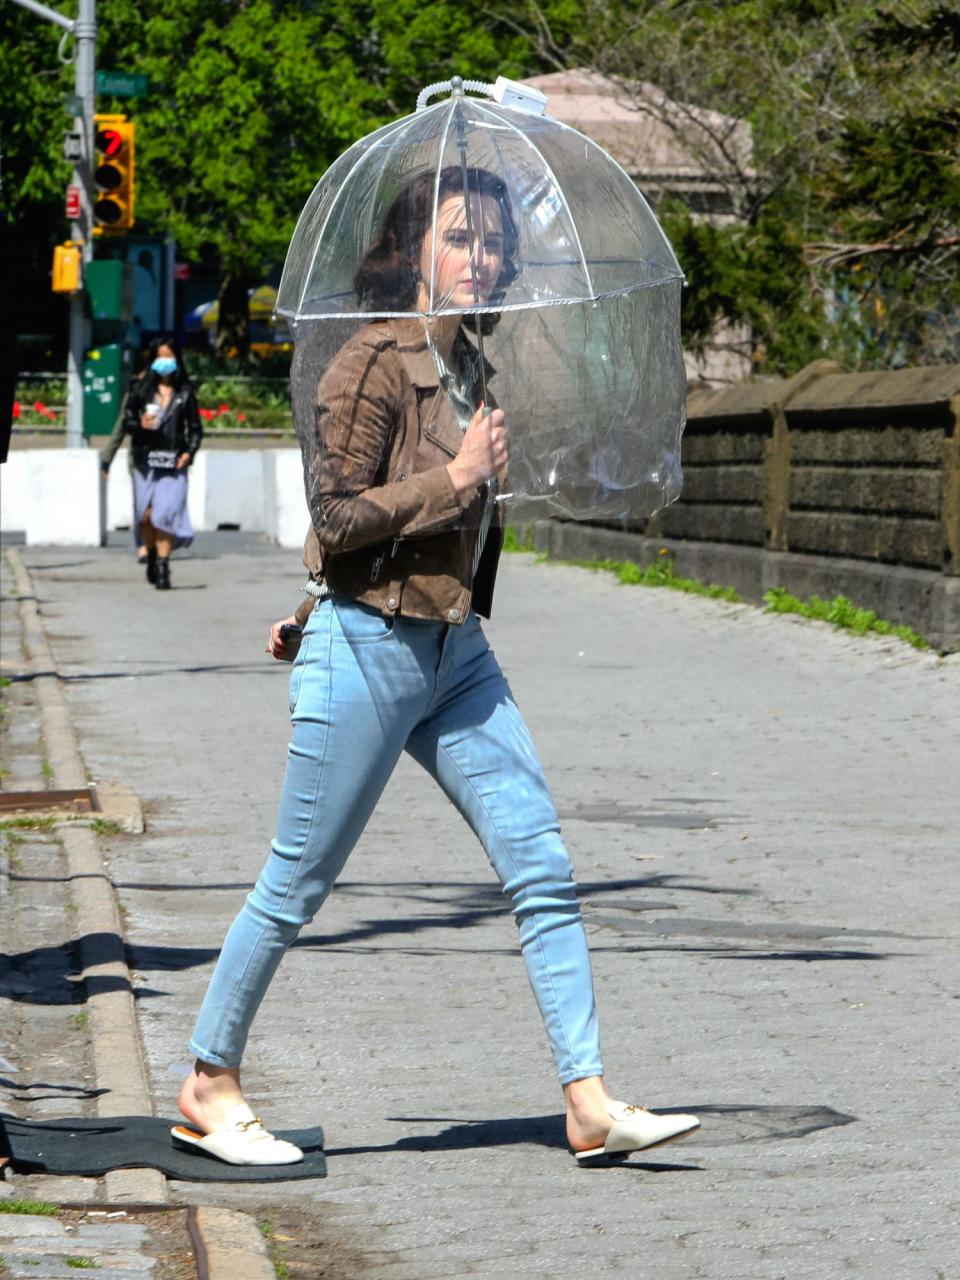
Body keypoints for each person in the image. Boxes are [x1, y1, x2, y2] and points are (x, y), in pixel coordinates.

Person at [172, 167, 699, 1168]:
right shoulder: (369, 363)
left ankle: (586, 1099)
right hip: (370, 646)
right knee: (298, 881)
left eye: (496, 241)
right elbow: (334, 515)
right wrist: (452, 479)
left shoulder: (475, 372)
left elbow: (407, 531)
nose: (485, 256)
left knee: (540, 864)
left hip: (456, 653)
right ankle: (208, 1079)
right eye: (462, 237)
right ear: (414, 250)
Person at [100, 338, 202, 590]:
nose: (165, 362)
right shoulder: (140, 389)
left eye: (169, 357)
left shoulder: (185, 392)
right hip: (144, 460)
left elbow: (196, 429)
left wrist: (189, 452)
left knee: (165, 514)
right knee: (146, 516)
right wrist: (140, 425)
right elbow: (125, 423)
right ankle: (153, 554)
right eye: (160, 357)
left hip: (173, 462)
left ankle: (163, 566)